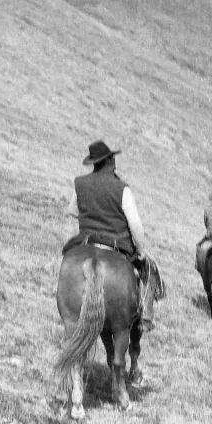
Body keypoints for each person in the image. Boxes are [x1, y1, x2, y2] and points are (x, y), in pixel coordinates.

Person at [63, 140, 162, 331]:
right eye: (113, 157)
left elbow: (73, 211)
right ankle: (146, 317)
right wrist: (140, 249)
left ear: (94, 162)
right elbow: (135, 224)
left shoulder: (80, 183)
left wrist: (91, 215)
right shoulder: (121, 188)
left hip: (86, 241)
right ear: (109, 161)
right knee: (150, 269)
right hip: (117, 243)